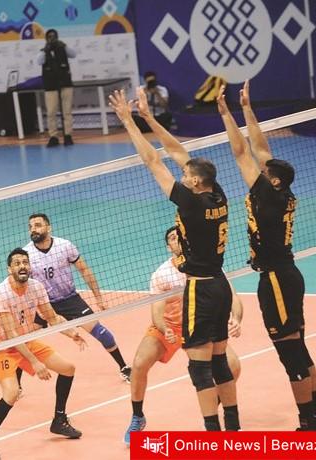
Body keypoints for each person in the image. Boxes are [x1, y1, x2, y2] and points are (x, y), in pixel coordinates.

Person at [109, 88, 240, 431]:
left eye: (185, 177)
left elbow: (154, 161)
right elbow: (180, 153)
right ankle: (233, 428)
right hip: (220, 284)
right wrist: (149, 117)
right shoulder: (217, 194)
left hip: (200, 289)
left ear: (194, 182)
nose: (182, 177)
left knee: (200, 369)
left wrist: (129, 121)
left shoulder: (191, 203)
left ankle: (213, 435)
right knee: (220, 363)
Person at [217, 81, 316, 430]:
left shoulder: (268, 195)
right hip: (287, 274)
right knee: (298, 347)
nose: (260, 173)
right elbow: (261, 148)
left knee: (289, 352)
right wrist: (247, 109)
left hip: (277, 279)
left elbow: (241, 153)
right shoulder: (282, 192)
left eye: (266, 174)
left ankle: (308, 422)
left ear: (275, 181)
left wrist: (225, 114)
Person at [124, 227, 243, 445]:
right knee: (139, 363)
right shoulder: (162, 274)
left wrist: (236, 318)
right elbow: (156, 312)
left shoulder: (206, 265)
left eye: (179, 236)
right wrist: (165, 329)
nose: (176, 240)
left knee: (233, 366)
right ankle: (137, 417)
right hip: (172, 326)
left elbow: (232, 295)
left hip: (201, 325)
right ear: (168, 247)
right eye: (171, 238)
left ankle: (212, 409)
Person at [0, 248, 87, 460]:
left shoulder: (36, 287)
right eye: (17, 263)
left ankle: (59, 420)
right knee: (11, 394)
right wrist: (35, 362)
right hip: (1, 347)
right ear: (9, 269)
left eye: (25, 262)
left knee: (68, 369)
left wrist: (71, 332)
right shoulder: (1, 294)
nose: (22, 266)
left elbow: (51, 317)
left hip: (24, 339)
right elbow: (11, 335)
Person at [21, 213, 131, 384]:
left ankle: (124, 367)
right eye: (30, 227)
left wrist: (99, 298)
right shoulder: (26, 254)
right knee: (22, 341)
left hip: (70, 299)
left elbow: (84, 270)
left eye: (38, 225)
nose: (33, 229)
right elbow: (23, 285)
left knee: (102, 333)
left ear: (48, 227)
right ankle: (17, 385)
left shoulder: (64, 246)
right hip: (44, 304)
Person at [37, 29, 76, 147]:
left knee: (67, 111)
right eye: (49, 37)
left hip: (65, 83)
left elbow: (73, 54)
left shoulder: (63, 48)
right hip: (50, 85)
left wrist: (64, 46)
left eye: (54, 36)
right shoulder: (44, 51)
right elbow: (39, 61)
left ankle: (68, 135)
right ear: (46, 39)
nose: (52, 39)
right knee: (51, 112)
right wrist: (46, 49)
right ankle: (53, 136)